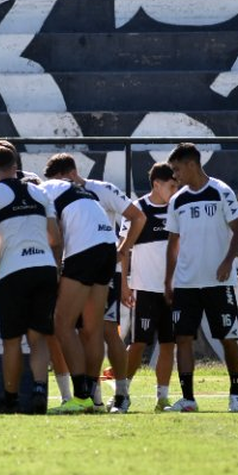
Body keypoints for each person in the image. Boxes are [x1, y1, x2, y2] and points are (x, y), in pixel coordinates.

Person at [43, 152, 145, 413]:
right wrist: (118, 253)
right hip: (104, 255)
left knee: (64, 326)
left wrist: (124, 252)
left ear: (64, 176)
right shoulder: (83, 196)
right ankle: (95, 398)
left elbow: (56, 237)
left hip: (85, 256)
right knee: (92, 330)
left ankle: (89, 395)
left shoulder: (53, 190)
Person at [0, 144, 62, 415]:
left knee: (12, 340)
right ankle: (38, 390)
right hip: (45, 268)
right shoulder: (40, 191)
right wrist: (55, 270)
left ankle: (11, 398)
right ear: (16, 165)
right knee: (38, 337)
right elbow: (55, 239)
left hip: (13, 271)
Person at [163, 143, 238, 413]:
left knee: (228, 337)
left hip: (218, 282)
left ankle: (236, 393)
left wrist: (227, 261)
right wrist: (168, 280)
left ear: (191, 165)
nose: (175, 175)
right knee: (183, 338)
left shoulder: (221, 192)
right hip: (186, 283)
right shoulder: (178, 200)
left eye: (177, 169)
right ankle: (188, 399)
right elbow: (172, 243)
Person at [121, 162, 179, 413]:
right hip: (145, 289)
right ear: (157, 184)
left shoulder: (179, 209)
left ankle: (162, 398)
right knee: (138, 344)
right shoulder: (138, 211)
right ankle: (122, 395)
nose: (176, 190)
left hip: (174, 291)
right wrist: (124, 285)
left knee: (169, 344)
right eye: (172, 185)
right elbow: (123, 251)